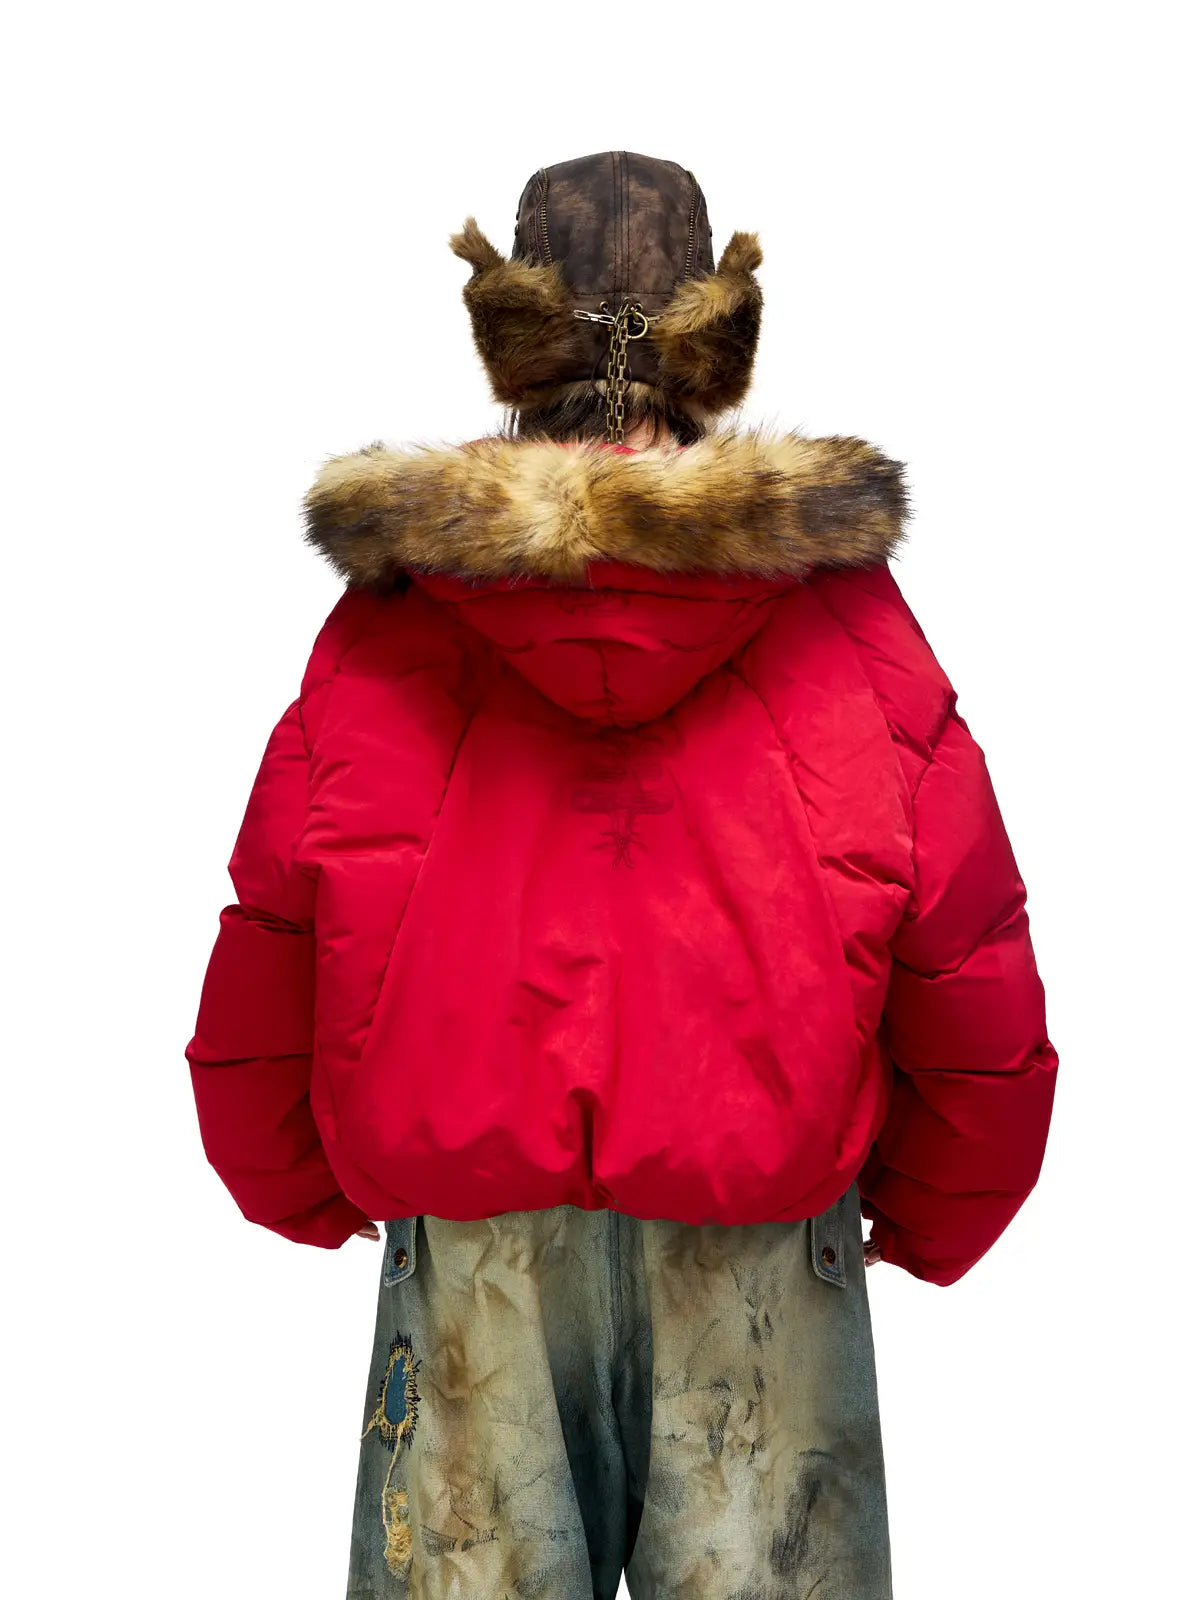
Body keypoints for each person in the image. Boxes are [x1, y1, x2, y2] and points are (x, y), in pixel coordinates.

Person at [185, 150, 1057, 1599]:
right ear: (721, 343)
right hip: (765, 1247)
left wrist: (287, 1175)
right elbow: (964, 935)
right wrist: (944, 1199)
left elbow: (283, 907)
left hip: (476, 1253)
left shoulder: (393, 623)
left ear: (508, 343)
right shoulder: (846, 622)